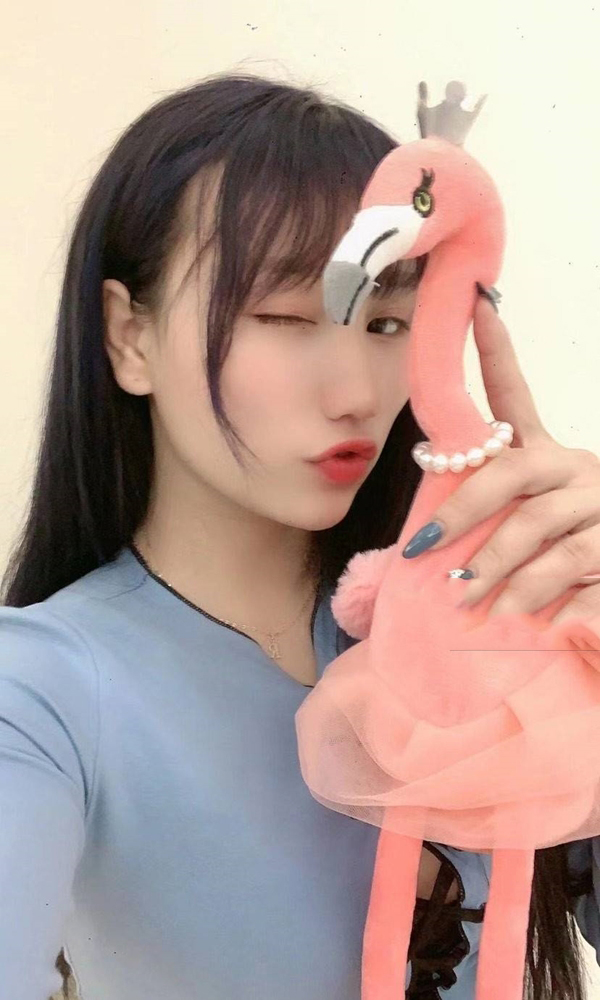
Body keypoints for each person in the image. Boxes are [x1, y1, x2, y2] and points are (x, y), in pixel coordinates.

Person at [0, 72, 597, 1000]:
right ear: (129, 337)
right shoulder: (40, 691)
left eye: (390, 322)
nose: (356, 393)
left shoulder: (483, 621)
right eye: (282, 317)